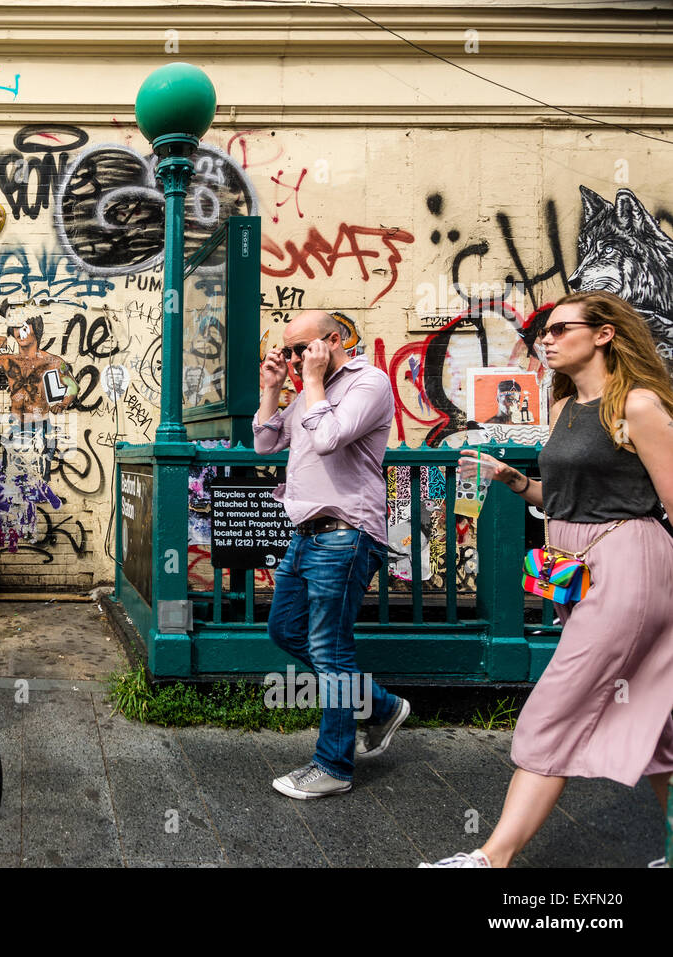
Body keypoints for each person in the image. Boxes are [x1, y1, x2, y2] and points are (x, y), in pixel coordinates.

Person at [426, 290, 673, 867]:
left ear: (604, 334)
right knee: (657, 724)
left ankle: (492, 858)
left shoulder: (637, 406)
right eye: (546, 333)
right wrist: (511, 478)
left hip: (630, 565)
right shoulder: (563, 409)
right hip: (574, 568)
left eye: (561, 329)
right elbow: (560, 501)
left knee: (554, 705)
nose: (548, 340)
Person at [254, 310, 411, 799]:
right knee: (285, 629)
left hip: (346, 534)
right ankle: (381, 707)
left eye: (302, 349)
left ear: (334, 340)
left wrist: (315, 383)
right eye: (288, 351)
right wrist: (274, 388)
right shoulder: (306, 391)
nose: (296, 359)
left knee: (331, 650)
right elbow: (263, 444)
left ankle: (334, 766)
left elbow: (327, 439)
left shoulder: (369, 382)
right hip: (306, 534)